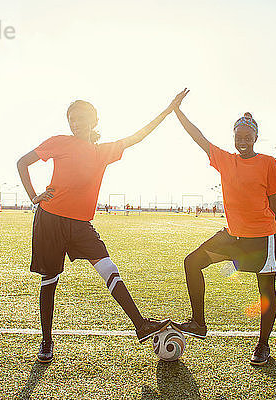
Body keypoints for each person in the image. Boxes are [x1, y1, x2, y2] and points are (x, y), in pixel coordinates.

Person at [17, 91, 185, 363]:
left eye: (81, 118)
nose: (76, 123)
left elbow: (138, 136)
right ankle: (47, 342)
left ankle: (140, 325)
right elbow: (22, 162)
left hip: (81, 225)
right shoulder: (59, 142)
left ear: (94, 120)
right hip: (50, 220)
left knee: (109, 268)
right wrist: (33, 196)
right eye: (71, 119)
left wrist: (167, 111)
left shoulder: (103, 151)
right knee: (50, 282)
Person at [171, 89, 276, 367]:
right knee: (192, 263)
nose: (243, 141)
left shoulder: (267, 163)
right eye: (239, 137)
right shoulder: (225, 159)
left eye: (248, 137)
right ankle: (198, 323)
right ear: (234, 138)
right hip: (232, 237)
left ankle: (262, 345)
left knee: (266, 292)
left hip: (263, 239)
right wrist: (177, 111)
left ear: (256, 138)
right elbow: (198, 137)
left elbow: (274, 204)